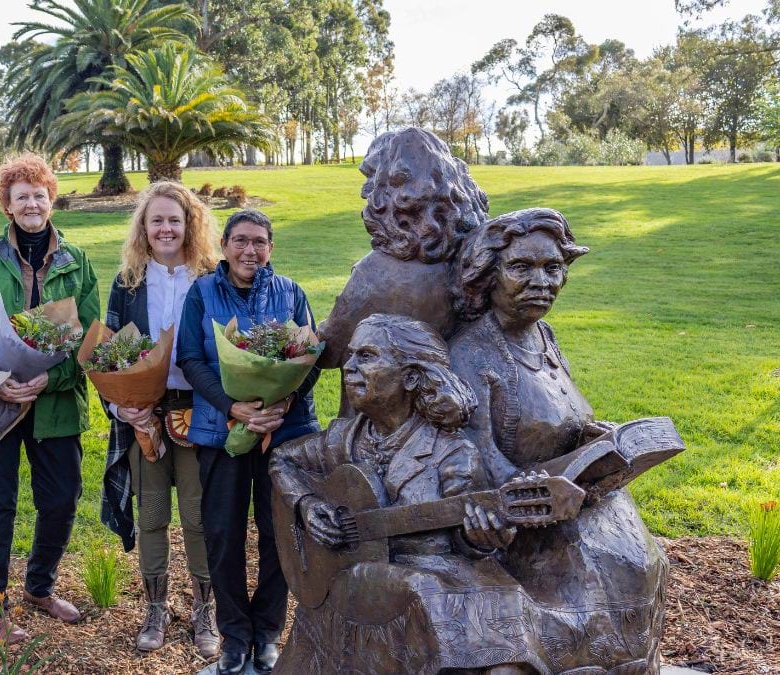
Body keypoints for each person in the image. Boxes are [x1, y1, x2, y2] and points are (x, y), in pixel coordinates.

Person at [449, 208, 668, 671]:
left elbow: (564, 417)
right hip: (532, 522)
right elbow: (481, 463)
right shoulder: (472, 354)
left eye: (553, 268)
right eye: (521, 268)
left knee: (646, 563)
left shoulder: (544, 336)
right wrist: (555, 490)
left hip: (587, 504)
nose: (542, 281)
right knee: (601, 590)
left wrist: (593, 438)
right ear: (489, 275)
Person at [271, 314, 534, 674]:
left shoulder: (453, 454)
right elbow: (283, 460)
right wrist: (306, 504)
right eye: (350, 356)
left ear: (410, 377)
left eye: (366, 357)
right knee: (421, 590)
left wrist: (481, 537)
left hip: (434, 571)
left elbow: (467, 541)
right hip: (365, 575)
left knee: (494, 642)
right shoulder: (342, 438)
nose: (348, 368)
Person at [0, 153, 99, 644]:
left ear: (51, 199)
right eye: (21, 197)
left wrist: (47, 381)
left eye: (39, 194)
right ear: (6, 206)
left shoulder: (78, 262)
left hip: (54, 405)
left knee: (60, 500)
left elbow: (89, 332)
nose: (31, 203)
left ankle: (39, 585)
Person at [176, 209, 321, 675]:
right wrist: (232, 407)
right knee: (223, 535)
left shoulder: (291, 293)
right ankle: (235, 636)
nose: (250, 251)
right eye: (240, 241)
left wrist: (285, 401)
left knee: (278, 535)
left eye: (259, 242)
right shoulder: (202, 293)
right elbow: (191, 358)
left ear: (271, 248)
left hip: (283, 434)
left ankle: (267, 633)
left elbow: (313, 355)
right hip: (221, 434)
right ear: (224, 245)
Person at [98, 181, 221, 656]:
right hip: (143, 413)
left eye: (175, 219)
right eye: (157, 220)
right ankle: (156, 608)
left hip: (200, 410)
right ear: (143, 229)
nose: (166, 228)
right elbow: (109, 352)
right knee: (151, 514)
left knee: (197, 514)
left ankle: (204, 611)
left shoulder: (210, 277)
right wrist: (120, 404)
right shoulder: (128, 282)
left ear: (189, 224)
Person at [317, 127, 489, 416]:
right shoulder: (475, 261)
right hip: (455, 411)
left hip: (381, 425)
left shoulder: (378, 273)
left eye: (372, 181)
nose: (365, 192)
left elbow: (331, 349)